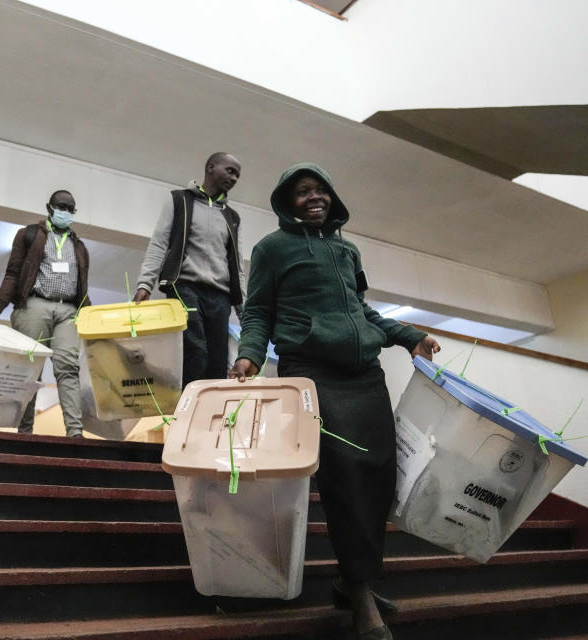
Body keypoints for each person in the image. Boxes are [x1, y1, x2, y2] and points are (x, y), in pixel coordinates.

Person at [229, 163, 440, 640]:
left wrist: (409, 337)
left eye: (321, 190)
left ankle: (351, 580)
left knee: (379, 478)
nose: (314, 197)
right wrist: (248, 357)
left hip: (365, 375)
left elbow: (362, 310)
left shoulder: (346, 249)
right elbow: (259, 310)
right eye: (303, 192)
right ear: (287, 202)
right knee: (344, 477)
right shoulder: (272, 249)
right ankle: (362, 595)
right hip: (313, 374)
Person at [0, 190, 90, 438]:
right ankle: (25, 432)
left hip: (68, 310)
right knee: (30, 369)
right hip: (34, 305)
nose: (65, 211)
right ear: (49, 207)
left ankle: (75, 432)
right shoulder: (29, 235)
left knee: (68, 369)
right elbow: (13, 274)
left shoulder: (79, 246)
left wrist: (95, 319)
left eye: (70, 208)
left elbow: (83, 288)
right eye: (61, 206)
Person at [133, 152, 245, 386]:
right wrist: (145, 283)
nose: (234, 178)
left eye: (237, 175)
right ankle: (184, 409)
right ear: (211, 167)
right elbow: (159, 243)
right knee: (195, 351)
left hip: (220, 297)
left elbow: (237, 263)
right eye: (230, 171)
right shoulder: (179, 200)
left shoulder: (231, 216)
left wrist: (243, 307)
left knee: (217, 361)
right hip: (185, 288)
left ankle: (209, 415)